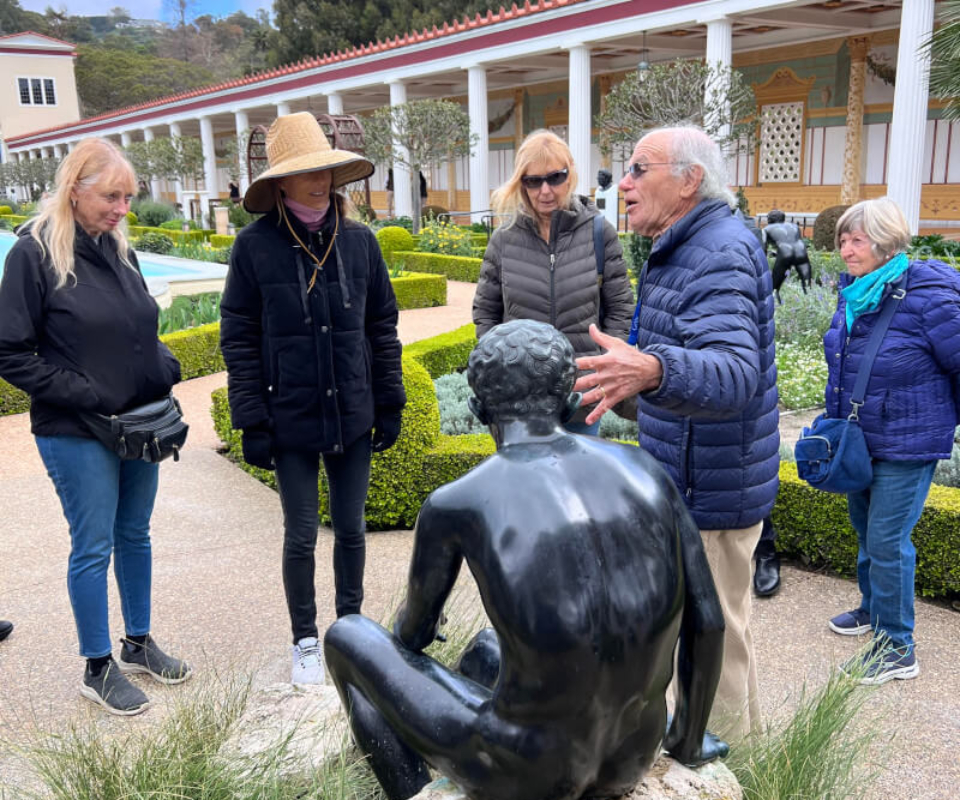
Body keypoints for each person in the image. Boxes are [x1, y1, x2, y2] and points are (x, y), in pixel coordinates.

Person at [324, 320, 728, 800]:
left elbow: (410, 639)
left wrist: (416, 626)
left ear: (477, 410)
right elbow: (708, 622)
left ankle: (413, 790)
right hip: (632, 756)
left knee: (347, 637)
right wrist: (685, 740)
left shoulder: (457, 502)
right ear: (570, 400)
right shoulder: (644, 468)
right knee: (482, 650)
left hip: (528, 774)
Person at [574, 126, 779, 740]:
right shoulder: (681, 243)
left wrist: (652, 368)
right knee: (690, 640)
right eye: (622, 170)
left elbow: (736, 373)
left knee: (715, 649)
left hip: (710, 497)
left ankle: (728, 768)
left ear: (690, 180)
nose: (623, 183)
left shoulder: (718, 250)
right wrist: (638, 385)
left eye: (640, 168)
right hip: (688, 485)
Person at [0, 138, 191, 716]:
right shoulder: (33, 254)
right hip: (75, 430)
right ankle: (97, 665)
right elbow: (10, 352)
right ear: (75, 187)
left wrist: (163, 367)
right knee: (93, 546)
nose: (122, 208)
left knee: (136, 535)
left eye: (129, 197)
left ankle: (138, 642)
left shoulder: (119, 250)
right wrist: (86, 393)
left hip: (137, 425)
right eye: (112, 195)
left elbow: (138, 330)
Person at [220, 113, 405, 686]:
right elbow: (239, 337)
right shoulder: (254, 249)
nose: (320, 181)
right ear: (279, 184)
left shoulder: (359, 241)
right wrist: (251, 418)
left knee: (351, 530)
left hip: (351, 410)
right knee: (300, 534)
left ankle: (349, 633)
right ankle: (305, 639)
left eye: (325, 170)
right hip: (289, 415)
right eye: (306, 174)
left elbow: (382, 324)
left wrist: (389, 399)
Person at [824, 198, 960, 685]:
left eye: (856, 239)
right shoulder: (857, 292)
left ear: (885, 241)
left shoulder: (931, 296)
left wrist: (941, 422)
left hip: (909, 441)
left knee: (887, 540)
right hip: (861, 437)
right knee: (866, 531)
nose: (845, 248)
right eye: (842, 239)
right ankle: (870, 608)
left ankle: (897, 647)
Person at [472, 129, 634, 435]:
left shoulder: (599, 232)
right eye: (533, 181)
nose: (545, 190)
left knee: (577, 481)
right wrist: (502, 365)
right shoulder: (504, 239)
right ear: (521, 183)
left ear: (570, 174)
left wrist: (602, 364)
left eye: (555, 177)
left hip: (581, 392)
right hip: (518, 401)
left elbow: (621, 306)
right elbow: (485, 311)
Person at [763, 208, 814, 303]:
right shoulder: (794, 226)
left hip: (785, 251)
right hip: (801, 251)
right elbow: (793, 240)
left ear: (769, 219)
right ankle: (811, 305)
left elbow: (763, 247)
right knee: (807, 285)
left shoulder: (766, 229)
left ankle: (774, 306)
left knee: (774, 288)